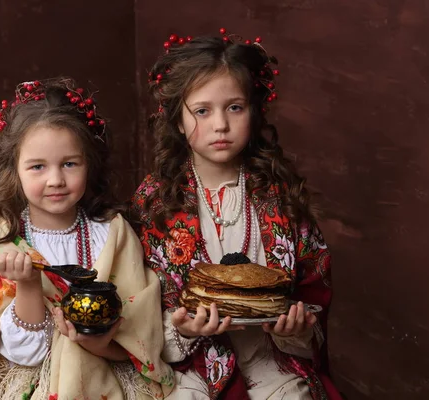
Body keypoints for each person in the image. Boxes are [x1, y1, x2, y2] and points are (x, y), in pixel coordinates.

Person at [130, 29, 341, 399]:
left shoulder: (281, 196)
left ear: (254, 111)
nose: (220, 125)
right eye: (202, 111)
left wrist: (297, 328)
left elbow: (314, 288)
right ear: (178, 121)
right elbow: (140, 297)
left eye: (234, 107)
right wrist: (182, 329)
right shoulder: (158, 201)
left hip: (271, 359)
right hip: (193, 367)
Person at [0, 77, 173, 400]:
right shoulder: (2, 244)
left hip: (106, 380)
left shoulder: (113, 233)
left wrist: (101, 344)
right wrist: (27, 285)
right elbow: (23, 356)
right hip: (34, 385)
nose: (56, 180)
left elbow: (143, 332)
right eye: (37, 167)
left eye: (69, 163)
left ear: (89, 164)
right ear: (15, 171)